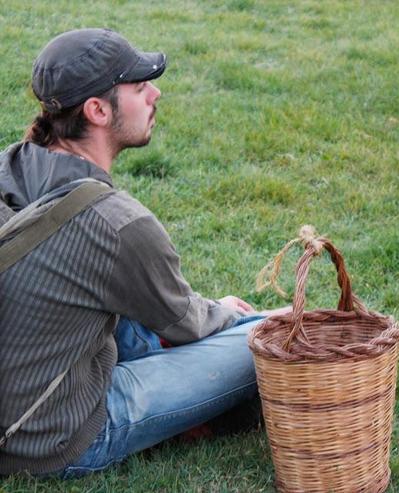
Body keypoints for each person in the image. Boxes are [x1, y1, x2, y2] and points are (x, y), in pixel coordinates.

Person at [0, 28, 289, 478]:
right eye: (138, 87)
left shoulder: (8, 165)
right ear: (97, 110)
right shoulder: (117, 224)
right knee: (277, 333)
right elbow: (189, 322)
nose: (155, 93)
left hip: (20, 392)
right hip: (53, 438)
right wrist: (226, 313)